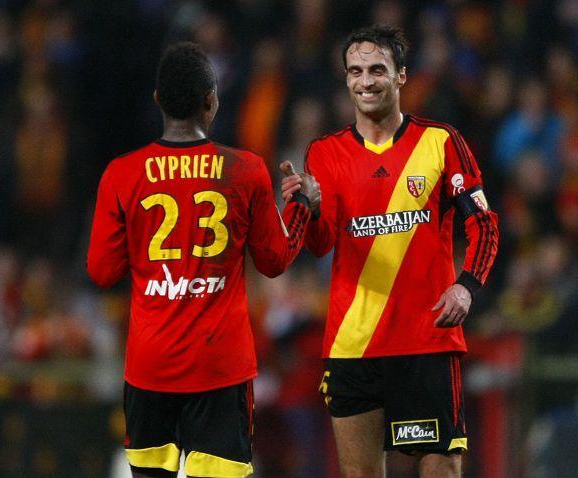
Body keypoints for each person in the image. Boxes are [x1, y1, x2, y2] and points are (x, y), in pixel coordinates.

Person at [87, 42, 319, 478]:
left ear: (158, 100)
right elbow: (274, 261)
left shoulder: (122, 173)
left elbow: (102, 271)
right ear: (211, 100)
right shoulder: (245, 170)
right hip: (220, 369)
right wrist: (302, 206)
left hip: (150, 368)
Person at [281, 25, 500, 478]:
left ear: (401, 75)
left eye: (377, 70)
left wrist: (466, 286)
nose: (365, 81)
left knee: (442, 467)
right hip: (353, 343)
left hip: (426, 339)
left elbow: (484, 224)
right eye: (355, 71)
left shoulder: (441, 142)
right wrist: (309, 209)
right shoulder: (324, 152)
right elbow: (321, 245)